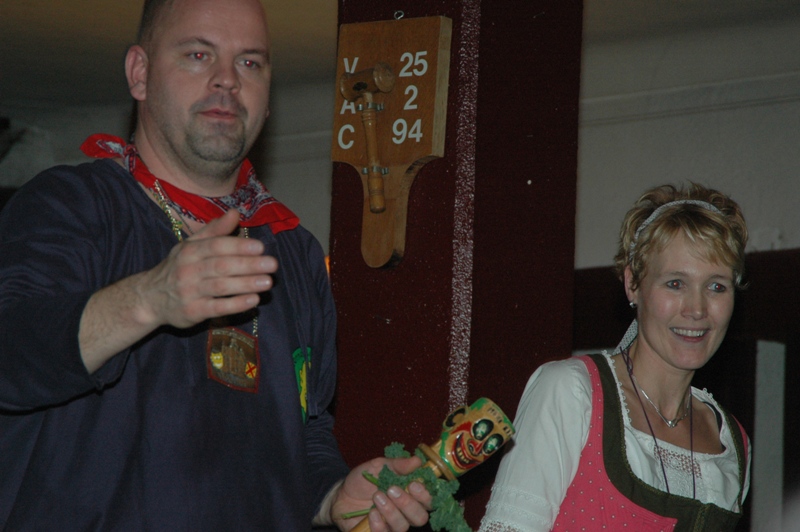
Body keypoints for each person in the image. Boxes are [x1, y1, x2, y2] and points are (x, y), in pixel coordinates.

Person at [0, 0, 431, 530]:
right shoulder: (71, 204)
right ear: (139, 73)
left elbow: (306, 431)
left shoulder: (295, 253)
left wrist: (333, 493)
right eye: (198, 54)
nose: (228, 79)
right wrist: (148, 298)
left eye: (250, 62)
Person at [478, 183, 751, 531]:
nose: (697, 309)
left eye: (716, 286)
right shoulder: (572, 392)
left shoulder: (732, 440)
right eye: (675, 283)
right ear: (632, 284)